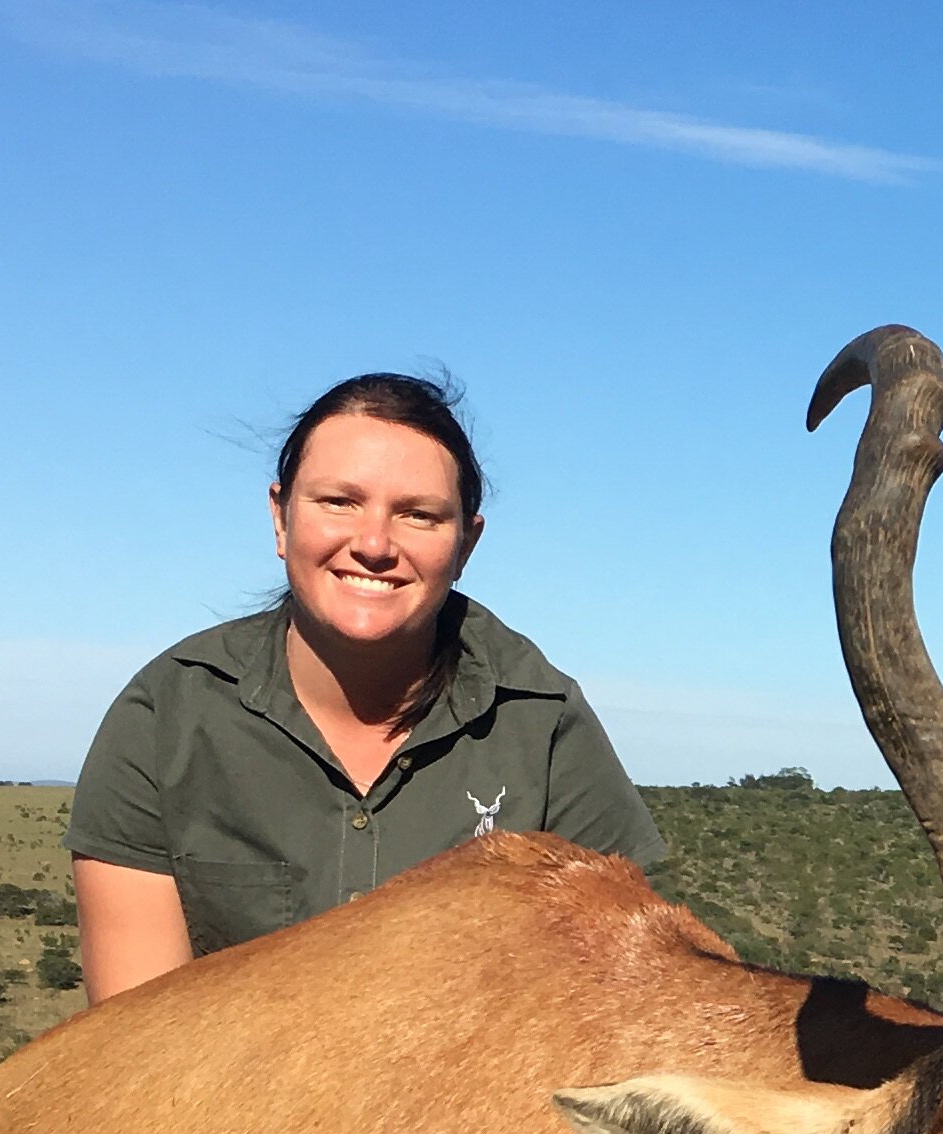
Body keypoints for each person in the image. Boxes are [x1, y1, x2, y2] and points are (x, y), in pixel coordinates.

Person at [68, 372, 664, 1002]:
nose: (374, 545)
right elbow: (135, 1041)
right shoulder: (164, 718)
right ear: (280, 517)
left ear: (467, 543)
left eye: (419, 515)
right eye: (339, 502)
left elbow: (628, 998)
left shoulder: (542, 725)